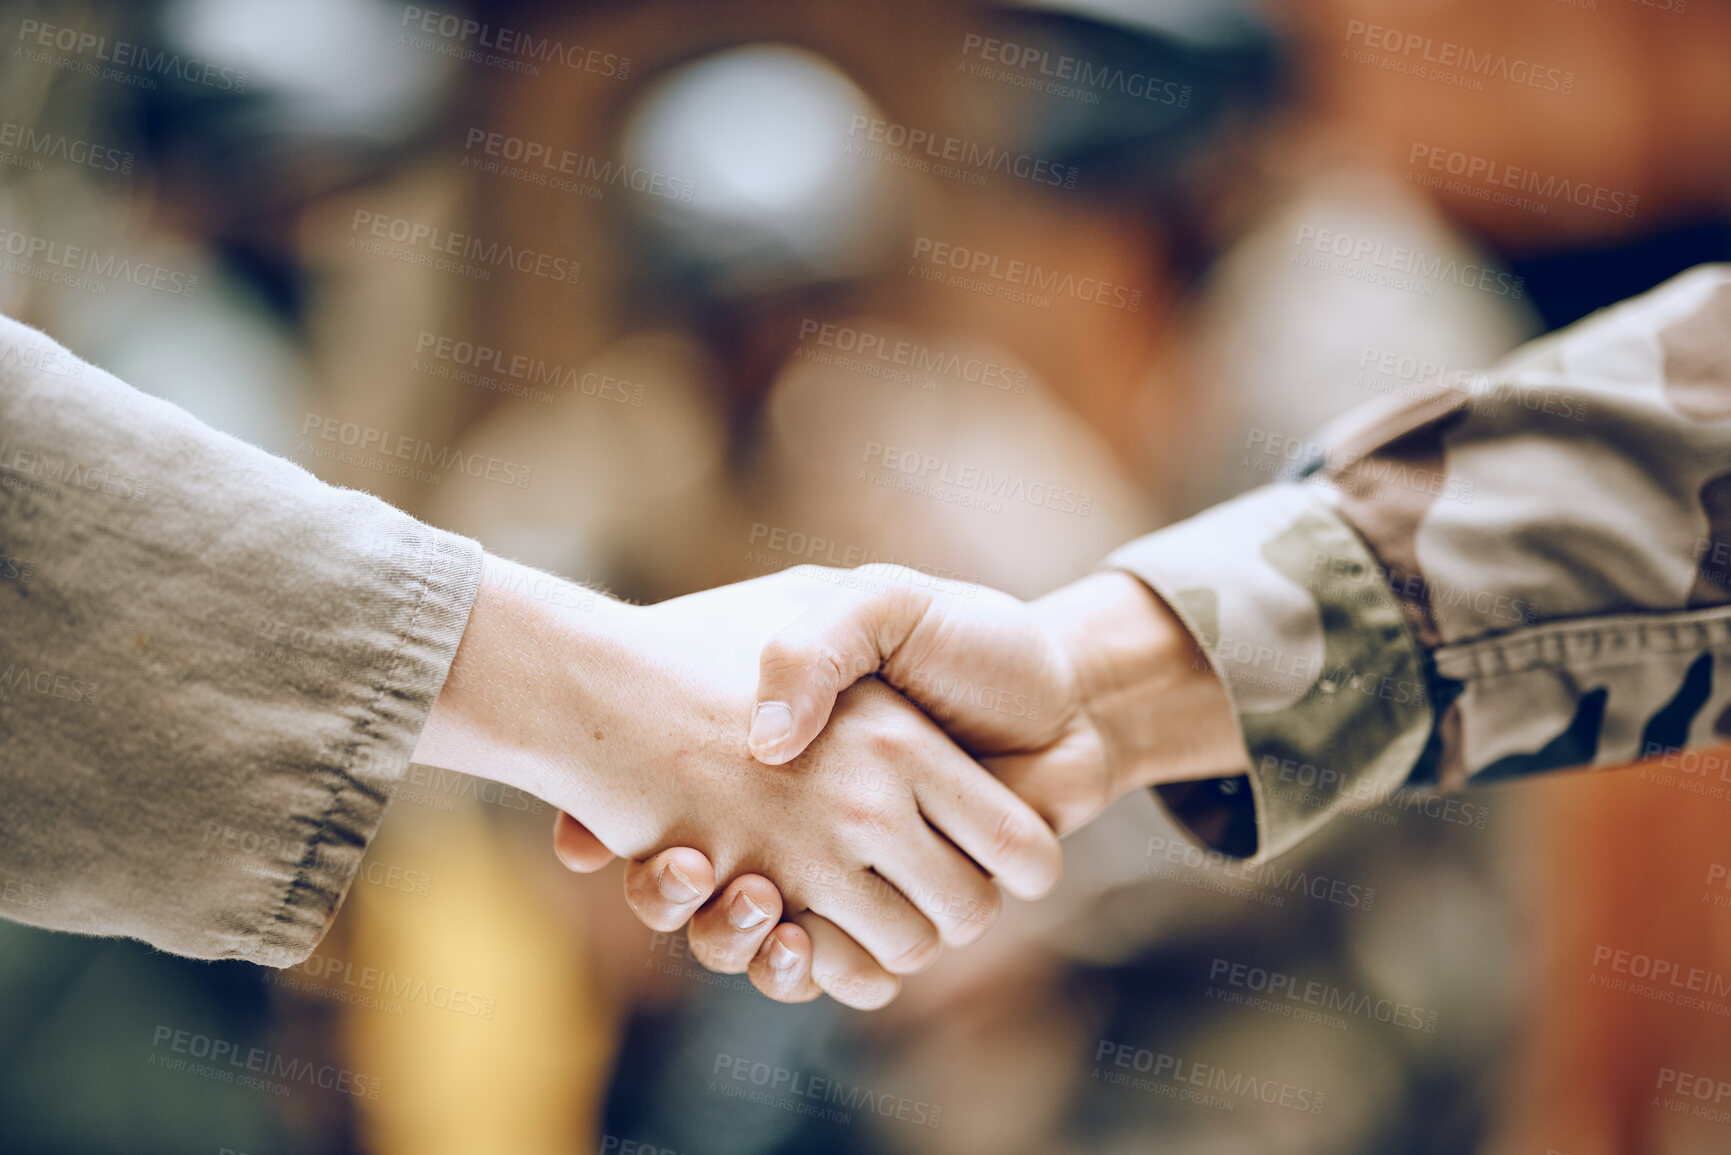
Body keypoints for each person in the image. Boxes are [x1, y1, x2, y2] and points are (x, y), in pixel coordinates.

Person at [602, 262, 1731, 1002]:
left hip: (1352, 962)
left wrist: (1053, 919)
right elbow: (1657, 470)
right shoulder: (620, 457)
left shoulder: (1320, 325)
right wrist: (1085, 687)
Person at [0, 311, 1061, 1010]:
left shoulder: (921, 438)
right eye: (741, 317)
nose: (773, 354)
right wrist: (629, 722)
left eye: (804, 307)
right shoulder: (583, 465)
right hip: (534, 890)